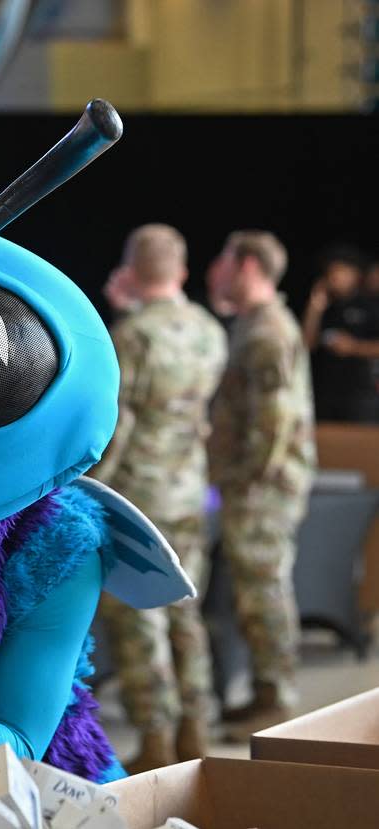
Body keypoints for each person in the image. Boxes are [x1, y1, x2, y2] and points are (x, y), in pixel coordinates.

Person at [89, 225, 227, 771]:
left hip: (139, 497)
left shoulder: (133, 336)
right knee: (185, 610)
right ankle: (195, 726)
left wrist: (89, 486)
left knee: (139, 614)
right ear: (182, 271)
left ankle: (156, 739)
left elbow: (117, 428)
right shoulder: (209, 330)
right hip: (191, 489)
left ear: (131, 268)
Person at [207, 230, 316, 739]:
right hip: (252, 484)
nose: (219, 271)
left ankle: (280, 700)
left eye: (226, 262)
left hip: (262, 488)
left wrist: (246, 481)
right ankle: (266, 694)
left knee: (265, 591)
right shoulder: (253, 325)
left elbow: (275, 421)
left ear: (248, 266)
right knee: (254, 592)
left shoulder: (267, 331)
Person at [302, 246, 379, 422]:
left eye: (341, 271)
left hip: (360, 395)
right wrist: (315, 309)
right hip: (325, 392)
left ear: (356, 274)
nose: (334, 277)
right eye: (331, 271)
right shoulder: (324, 307)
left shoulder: (370, 306)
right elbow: (306, 344)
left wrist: (354, 347)